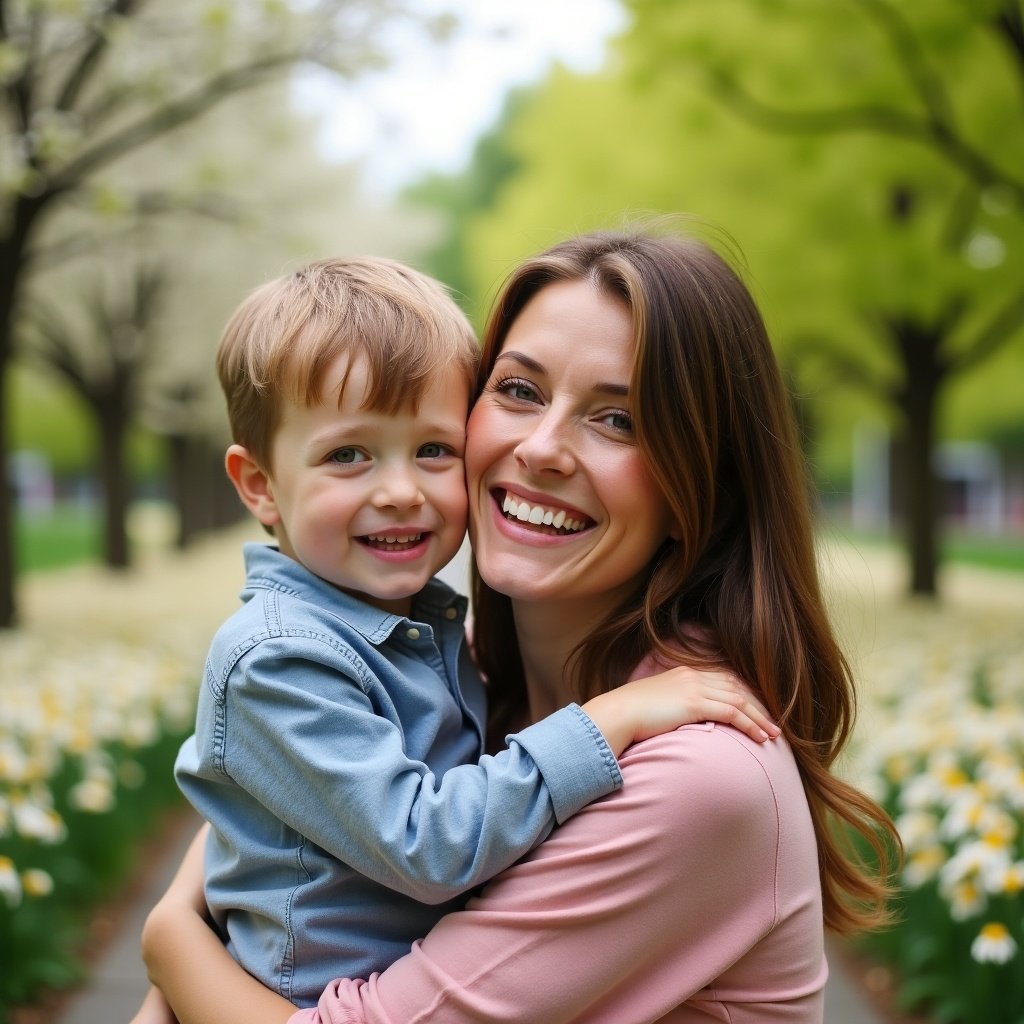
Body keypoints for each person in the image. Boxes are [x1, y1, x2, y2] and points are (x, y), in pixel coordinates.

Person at [139, 226, 899, 1023]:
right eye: (521, 392)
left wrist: (170, 945)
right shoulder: (465, 677)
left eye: (618, 420)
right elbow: (273, 823)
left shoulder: (698, 775)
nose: (541, 449)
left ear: (696, 489)